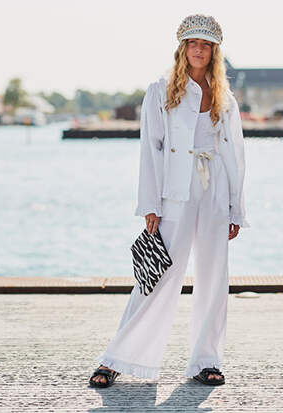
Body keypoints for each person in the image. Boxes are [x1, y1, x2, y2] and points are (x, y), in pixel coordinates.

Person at [89, 14, 249, 388]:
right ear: (182, 48)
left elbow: (235, 154)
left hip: (215, 191)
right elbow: (151, 149)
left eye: (206, 45)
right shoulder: (160, 91)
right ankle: (116, 358)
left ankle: (206, 360)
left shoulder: (224, 96)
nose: (199, 50)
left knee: (214, 279)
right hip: (175, 193)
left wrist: (236, 209)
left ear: (214, 52)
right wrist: (150, 205)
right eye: (193, 43)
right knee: (157, 275)